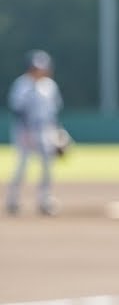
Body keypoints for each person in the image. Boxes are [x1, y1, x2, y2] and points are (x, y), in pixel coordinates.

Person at [6, 50, 65, 217]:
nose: (40, 70)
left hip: (46, 129)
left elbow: (53, 112)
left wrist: (58, 132)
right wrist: (26, 133)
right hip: (25, 130)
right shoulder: (22, 84)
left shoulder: (50, 86)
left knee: (47, 167)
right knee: (22, 166)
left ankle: (44, 201)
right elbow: (17, 109)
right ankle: (13, 200)